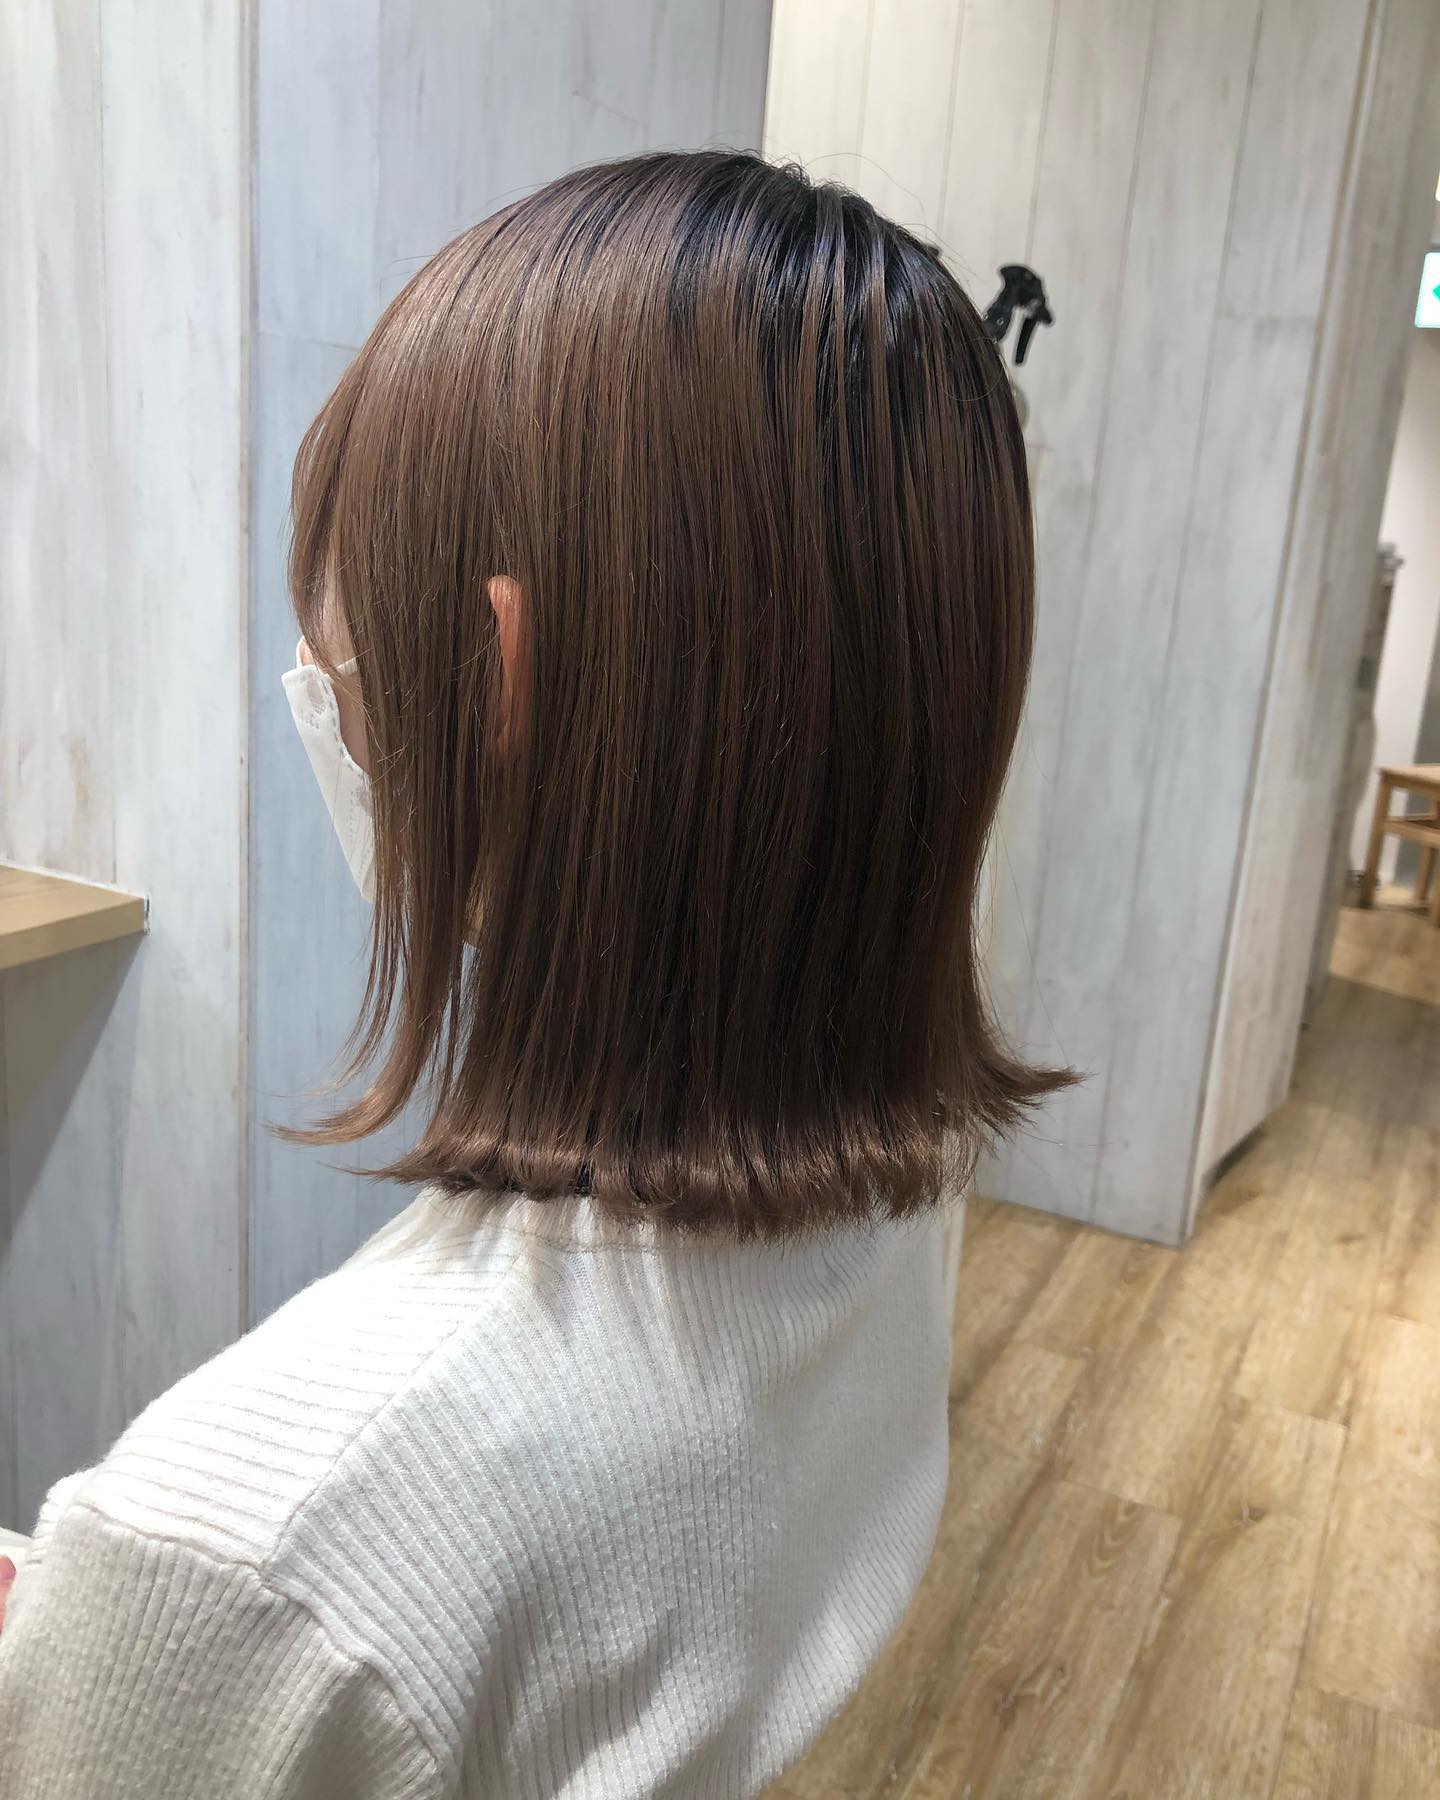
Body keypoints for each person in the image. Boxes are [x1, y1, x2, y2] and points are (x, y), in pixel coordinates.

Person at [0, 149, 1065, 1798]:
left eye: (333, 624)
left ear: (504, 673)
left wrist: (111, 1638)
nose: (316, 678)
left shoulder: (261, 1552)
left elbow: (239, 1622)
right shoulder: (896, 1197)